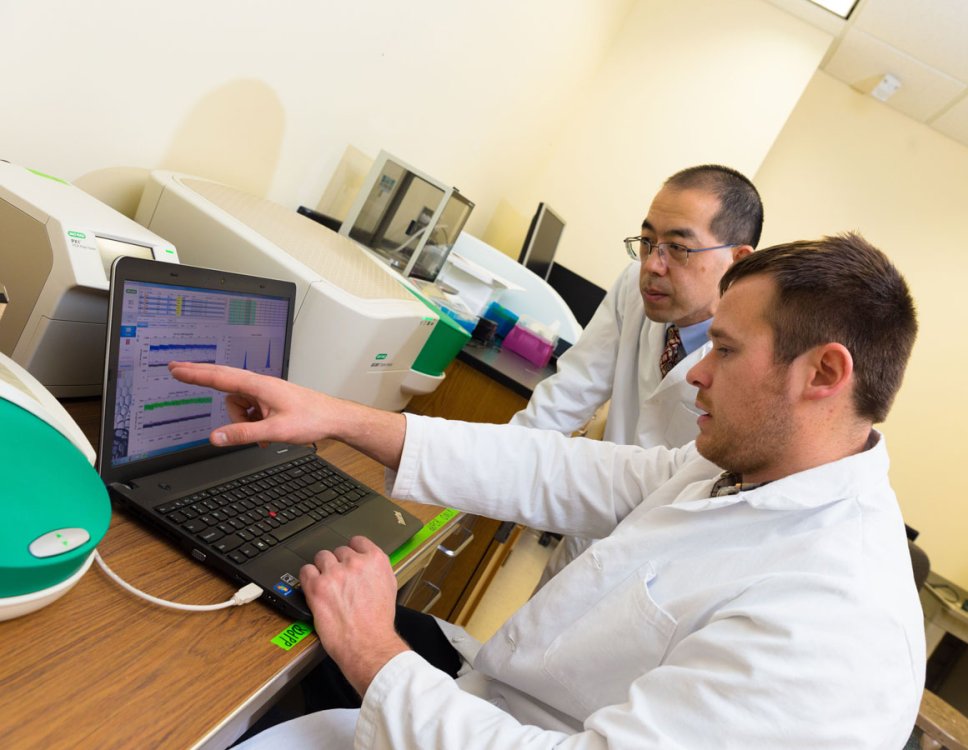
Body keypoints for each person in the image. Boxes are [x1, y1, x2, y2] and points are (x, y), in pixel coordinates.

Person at [171, 233, 923, 749]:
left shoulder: (834, 623)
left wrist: (375, 654)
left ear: (823, 375)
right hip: (490, 703)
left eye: (724, 351)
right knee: (284, 612)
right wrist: (340, 418)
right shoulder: (744, 468)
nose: (695, 372)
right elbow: (555, 471)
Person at [512, 164, 763, 581]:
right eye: (647, 242)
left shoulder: (754, 356)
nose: (653, 265)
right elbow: (567, 395)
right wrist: (486, 469)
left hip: (658, 568)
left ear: (737, 262)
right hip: (590, 534)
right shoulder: (635, 286)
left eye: (678, 249)